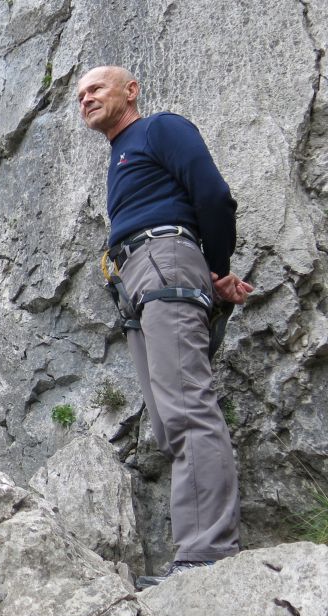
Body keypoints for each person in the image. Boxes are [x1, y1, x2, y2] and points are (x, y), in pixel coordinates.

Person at [76, 66, 254, 588]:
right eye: (79, 94)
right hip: (136, 279)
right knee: (167, 418)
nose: (85, 99)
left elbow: (214, 196)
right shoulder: (119, 155)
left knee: (186, 406)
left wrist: (217, 269)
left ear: (131, 91)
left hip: (164, 260)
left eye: (96, 89)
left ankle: (207, 555)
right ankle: (195, 553)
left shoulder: (158, 129)